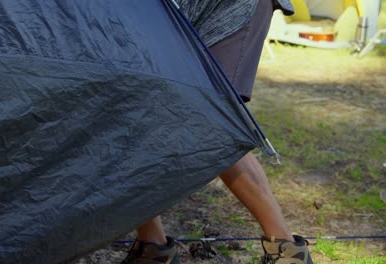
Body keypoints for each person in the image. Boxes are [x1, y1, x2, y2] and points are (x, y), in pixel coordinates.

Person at [121, 0, 314, 263]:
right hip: (165, 15)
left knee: (216, 125)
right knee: (132, 118)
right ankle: (152, 249)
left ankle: (287, 252)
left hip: (232, 7)